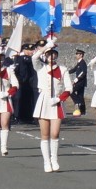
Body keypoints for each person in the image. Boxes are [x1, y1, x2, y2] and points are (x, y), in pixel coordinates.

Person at [32, 42, 72, 172]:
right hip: (44, 101)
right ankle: (46, 162)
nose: (51, 56)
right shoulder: (40, 67)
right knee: (44, 134)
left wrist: (59, 99)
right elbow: (34, 57)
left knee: (55, 133)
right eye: (49, 54)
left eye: (53, 54)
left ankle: (54, 159)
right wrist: (46, 46)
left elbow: (69, 88)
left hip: (56, 102)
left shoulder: (63, 69)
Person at [68, 49, 88, 117]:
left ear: (81, 55)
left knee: (71, 91)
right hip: (79, 82)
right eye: (76, 54)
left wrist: (77, 79)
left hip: (80, 82)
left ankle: (77, 102)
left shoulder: (83, 63)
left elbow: (83, 72)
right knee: (80, 96)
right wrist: (66, 72)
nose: (76, 55)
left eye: (77, 54)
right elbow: (74, 69)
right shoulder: (79, 62)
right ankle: (83, 111)